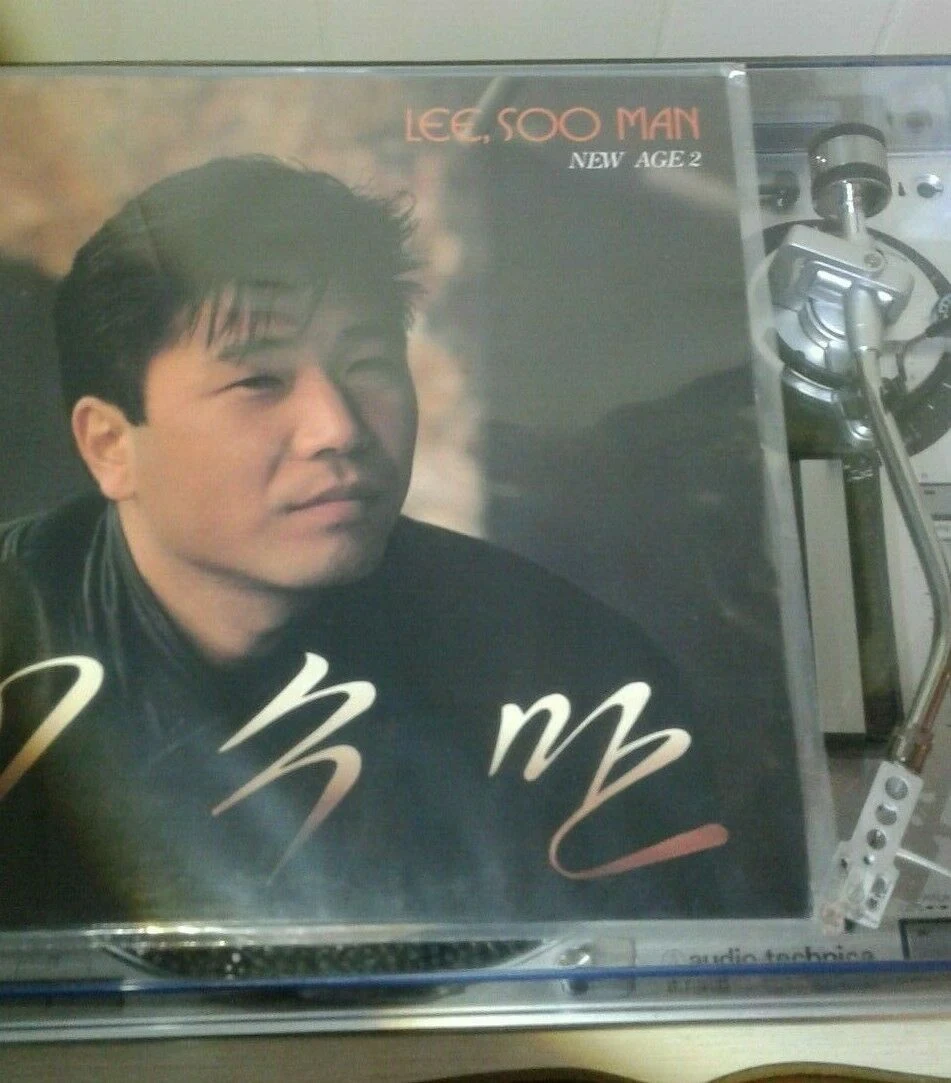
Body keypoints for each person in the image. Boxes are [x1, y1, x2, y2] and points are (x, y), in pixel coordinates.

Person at [0, 157, 731, 929]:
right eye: (258, 380)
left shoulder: (572, 674)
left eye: (369, 364)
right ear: (110, 444)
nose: (338, 428)